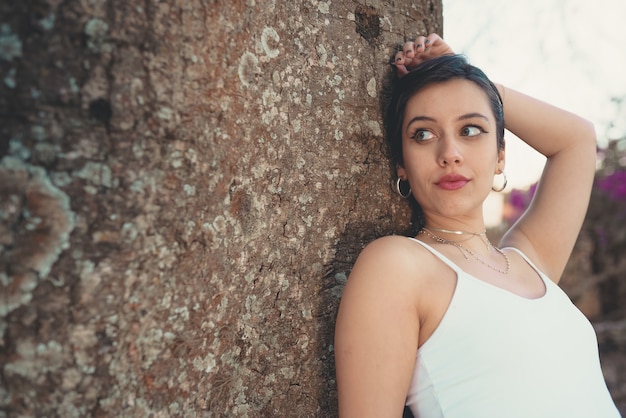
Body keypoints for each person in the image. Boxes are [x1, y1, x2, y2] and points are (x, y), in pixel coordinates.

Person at [334, 33, 621, 418]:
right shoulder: (397, 265)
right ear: (402, 163)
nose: (449, 153)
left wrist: (477, 84)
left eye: (471, 130)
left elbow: (577, 138)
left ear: (500, 155)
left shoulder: (531, 260)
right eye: (423, 134)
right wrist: (473, 95)